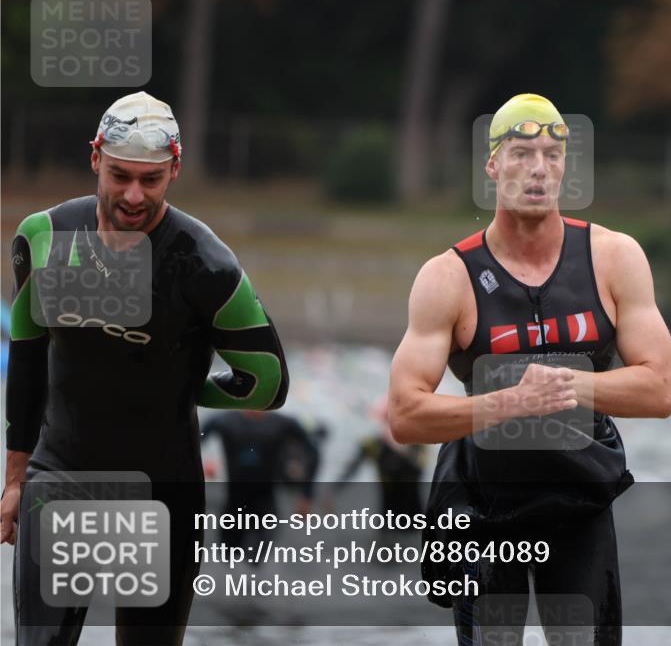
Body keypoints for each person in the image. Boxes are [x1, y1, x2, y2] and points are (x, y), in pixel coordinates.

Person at [0, 91, 289, 645]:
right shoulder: (44, 238)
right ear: (95, 158)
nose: (133, 194)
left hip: (161, 489)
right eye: (120, 175)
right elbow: (30, 356)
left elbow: (269, 383)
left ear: (174, 169)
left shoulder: (205, 264)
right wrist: (15, 479)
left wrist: (186, 387)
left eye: (150, 179)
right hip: (61, 475)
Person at [388, 93, 671, 645]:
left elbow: (660, 388)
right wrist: (506, 402)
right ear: (492, 165)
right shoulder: (448, 277)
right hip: (483, 506)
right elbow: (405, 413)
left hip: (578, 499)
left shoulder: (614, 258)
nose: (538, 169)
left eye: (551, 154)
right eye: (521, 153)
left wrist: (568, 385)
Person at [201, 410, 324, 558]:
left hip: (265, 500)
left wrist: (307, 494)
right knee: (228, 555)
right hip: (235, 500)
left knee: (256, 558)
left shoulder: (283, 424)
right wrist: (202, 465)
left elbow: (313, 452)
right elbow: (191, 444)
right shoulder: (225, 421)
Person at [336, 396, 425, 526]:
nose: (390, 427)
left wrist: (400, 450)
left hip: (413, 520)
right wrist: (331, 493)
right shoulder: (373, 444)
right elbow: (351, 469)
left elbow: (417, 470)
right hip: (386, 520)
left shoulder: (418, 443)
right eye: (387, 422)